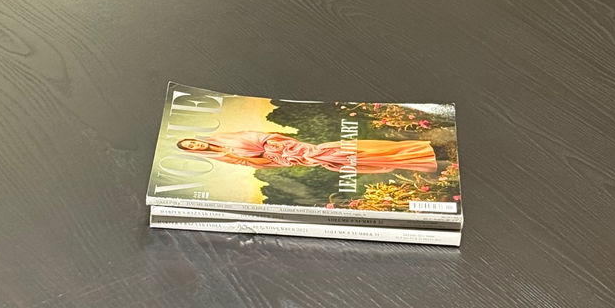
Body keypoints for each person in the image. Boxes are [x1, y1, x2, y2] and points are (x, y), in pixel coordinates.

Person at [176, 131, 437, 173]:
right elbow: (259, 163)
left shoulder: (231, 139)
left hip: (297, 149)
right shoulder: (226, 156)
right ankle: (418, 160)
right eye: (191, 148)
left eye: (193, 142)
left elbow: (263, 138)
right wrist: (279, 158)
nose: (195, 146)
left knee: (343, 152)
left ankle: (419, 151)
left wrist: (278, 147)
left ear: (197, 140)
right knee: (347, 162)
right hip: (294, 158)